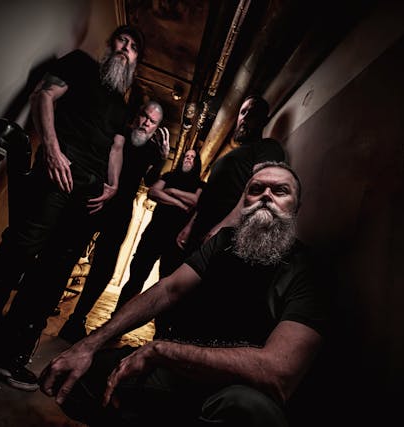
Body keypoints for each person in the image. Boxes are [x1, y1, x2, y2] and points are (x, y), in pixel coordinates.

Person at [39, 161, 326, 427]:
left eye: (280, 191)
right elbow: (168, 289)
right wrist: (90, 344)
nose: (265, 196)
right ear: (245, 201)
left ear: (296, 207)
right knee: (74, 378)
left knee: (250, 408)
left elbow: (278, 373)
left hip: (232, 387)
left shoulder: (308, 270)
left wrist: (162, 351)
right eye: (256, 189)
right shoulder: (223, 243)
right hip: (182, 372)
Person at [0, 25, 146, 392]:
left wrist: (113, 186)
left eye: (132, 48)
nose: (125, 48)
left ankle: (5, 356)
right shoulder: (80, 65)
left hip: (89, 195)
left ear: (135, 63)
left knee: (53, 275)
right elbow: (44, 95)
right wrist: (50, 148)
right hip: (57, 174)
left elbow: (116, 148)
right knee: (18, 253)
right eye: (122, 41)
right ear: (110, 44)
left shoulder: (123, 103)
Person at [57, 101, 169, 343]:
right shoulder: (118, 133)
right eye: (144, 116)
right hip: (96, 199)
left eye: (152, 122)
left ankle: (77, 319)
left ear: (156, 127)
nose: (146, 123)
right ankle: (46, 305)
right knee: (69, 252)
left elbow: (150, 182)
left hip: (121, 211)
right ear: (137, 115)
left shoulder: (151, 149)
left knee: (105, 268)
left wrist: (162, 159)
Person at [176, 95, 286, 257]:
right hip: (198, 232)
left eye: (253, 113)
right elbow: (208, 195)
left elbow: (260, 193)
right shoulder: (230, 155)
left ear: (264, 120)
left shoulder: (267, 147)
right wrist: (190, 225)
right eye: (243, 112)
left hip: (222, 237)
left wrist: (223, 228)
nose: (245, 117)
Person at [112, 149, 204, 331]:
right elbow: (153, 192)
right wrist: (179, 202)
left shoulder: (200, 185)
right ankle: (116, 322)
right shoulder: (169, 176)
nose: (188, 159)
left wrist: (170, 192)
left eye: (192, 158)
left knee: (168, 284)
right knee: (136, 278)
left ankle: (160, 332)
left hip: (176, 241)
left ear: (196, 163)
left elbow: (195, 201)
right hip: (154, 234)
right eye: (186, 156)